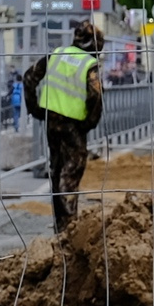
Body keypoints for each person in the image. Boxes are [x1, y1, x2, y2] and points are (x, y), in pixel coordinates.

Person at [24, 21, 104, 232]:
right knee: (70, 174)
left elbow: (29, 77)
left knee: (57, 169)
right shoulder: (89, 64)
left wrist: (36, 109)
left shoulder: (56, 55)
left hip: (52, 121)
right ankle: (69, 230)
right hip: (74, 126)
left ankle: (60, 227)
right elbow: (95, 95)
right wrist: (89, 123)